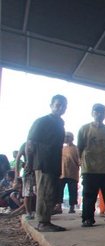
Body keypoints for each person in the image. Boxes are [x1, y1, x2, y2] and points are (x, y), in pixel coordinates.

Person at [25, 94, 68, 232]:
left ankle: (46, 219)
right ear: (51, 105)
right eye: (58, 105)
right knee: (44, 191)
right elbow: (30, 143)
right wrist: (29, 163)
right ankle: (43, 223)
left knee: (50, 192)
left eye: (64, 106)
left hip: (54, 162)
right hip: (43, 162)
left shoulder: (60, 123)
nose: (61, 108)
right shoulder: (42, 121)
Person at [57, 132, 80, 214]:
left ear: (71, 138)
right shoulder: (62, 148)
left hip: (73, 173)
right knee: (59, 191)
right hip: (62, 173)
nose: (65, 138)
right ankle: (59, 206)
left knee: (73, 191)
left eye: (67, 137)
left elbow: (80, 161)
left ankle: (72, 207)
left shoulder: (76, 149)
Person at [15, 142, 36, 219]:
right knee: (27, 194)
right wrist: (16, 175)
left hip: (38, 171)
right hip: (28, 173)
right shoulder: (25, 144)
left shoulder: (40, 143)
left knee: (40, 193)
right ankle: (28, 213)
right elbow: (17, 159)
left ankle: (39, 211)